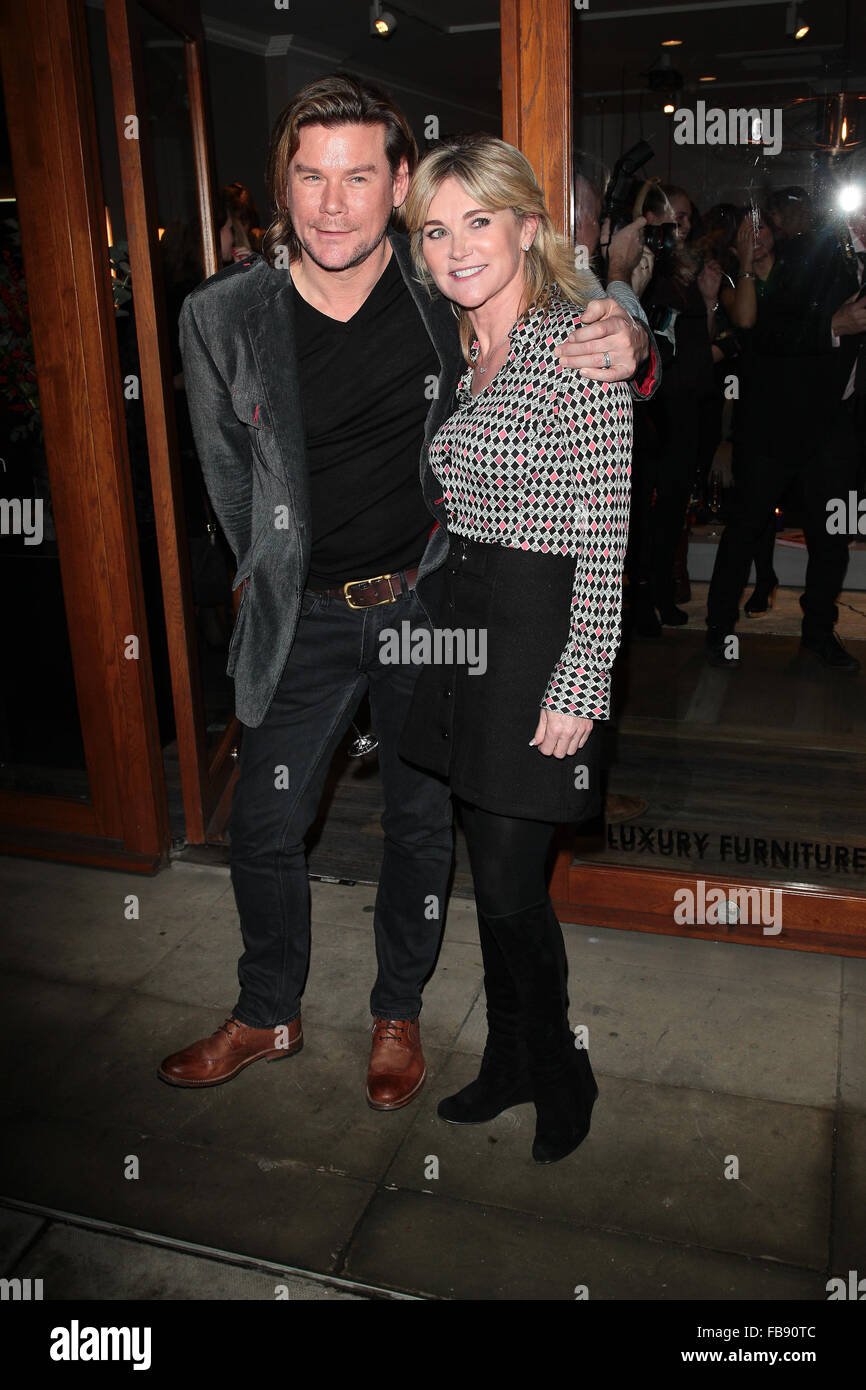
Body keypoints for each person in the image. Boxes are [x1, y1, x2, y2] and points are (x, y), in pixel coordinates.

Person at [157, 73, 657, 1111]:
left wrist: (634, 341)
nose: (331, 203)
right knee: (261, 822)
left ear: (395, 186)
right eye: (309, 176)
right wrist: (263, 584)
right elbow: (229, 483)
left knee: (423, 828)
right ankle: (266, 1008)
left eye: (357, 176)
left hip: (428, 610)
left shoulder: (440, 286)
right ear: (280, 188)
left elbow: (557, 323)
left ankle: (398, 1012)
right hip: (304, 615)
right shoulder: (220, 316)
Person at [397, 134, 633, 1164]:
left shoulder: (573, 345)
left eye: (475, 222)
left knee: (505, 877)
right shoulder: (464, 346)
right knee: (482, 860)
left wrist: (580, 676)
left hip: (540, 620)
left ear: (528, 227)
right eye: (435, 230)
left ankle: (560, 1068)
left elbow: (605, 532)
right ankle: (506, 1058)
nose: (453, 247)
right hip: (467, 617)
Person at [705, 179, 865, 671]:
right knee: (746, 528)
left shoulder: (815, 261)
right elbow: (764, 331)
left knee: (831, 538)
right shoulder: (767, 272)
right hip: (772, 424)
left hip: (833, 425)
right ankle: (719, 630)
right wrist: (830, 328)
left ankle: (818, 632)